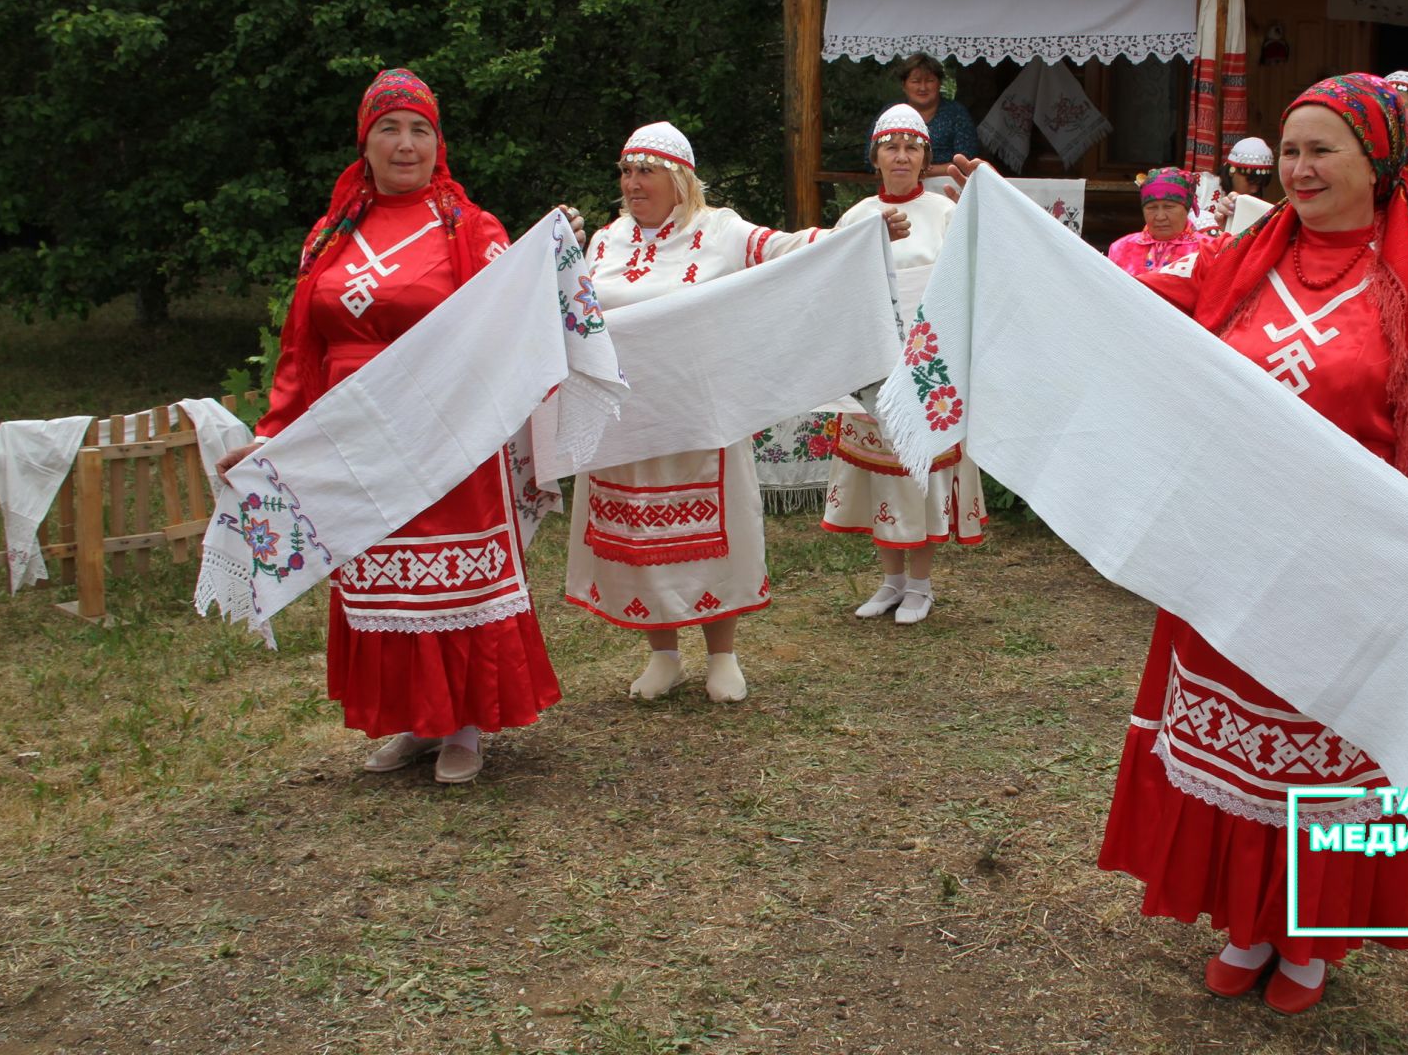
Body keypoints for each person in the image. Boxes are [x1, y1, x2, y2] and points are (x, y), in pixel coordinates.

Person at [1096, 73, 1408, 1015]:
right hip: (1232, 563)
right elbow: (1131, 309)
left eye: (1321, 149)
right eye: (1289, 150)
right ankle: (1248, 926)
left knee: (1321, 760)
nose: (1298, 167)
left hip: (1345, 573)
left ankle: (1309, 942)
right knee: (1238, 755)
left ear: (1377, 163)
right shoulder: (1237, 265)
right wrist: (1010, 243)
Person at [214, 69, 585, 785]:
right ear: (366, 140)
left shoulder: (469, 228)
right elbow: (302, 349)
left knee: (453, 577)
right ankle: (420, 720)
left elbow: (512, 320)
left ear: (437, 142)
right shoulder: (330, 234)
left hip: (445, 430)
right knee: (381, 578)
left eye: (420, 129)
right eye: (390, 128)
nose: (405, 143)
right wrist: (273, 437)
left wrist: (553, 252)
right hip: (353, 432)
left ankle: (466, 725)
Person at [569, 122, 910, 702]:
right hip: (629, 421)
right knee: (639, 539)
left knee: (714, 536)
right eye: (625, 171)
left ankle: (722, 656)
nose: (632, 182)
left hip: (702, 416)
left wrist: (858, 233)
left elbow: (789, 248)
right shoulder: (605, 242)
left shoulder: (720, 231)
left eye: (645, 170)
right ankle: (664, 655)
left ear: (678, 178)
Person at [823, 105, 987, 623]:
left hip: (927, 370)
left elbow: (970, 277)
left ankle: (920, 584)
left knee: (920, 473)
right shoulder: (856, 217)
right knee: (883, 477)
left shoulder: (944, 213)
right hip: (873, 366)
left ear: (925, 158)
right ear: (876, 158)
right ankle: (891, 581)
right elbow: (832, 282)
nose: (901, 156)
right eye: (891, 147)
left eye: (911, 147)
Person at [1107, 168, 1207, 276]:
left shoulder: (1207, 251)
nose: (1160, 217)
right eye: (1151, 208)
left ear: (1186, 209)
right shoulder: (1121, 248)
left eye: (1169, 207)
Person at [894, 53, 980, 167]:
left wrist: (919, 171)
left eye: (929, 81)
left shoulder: (956, 113)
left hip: (948, 183)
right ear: (903, 85)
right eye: (916, 81)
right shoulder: (892, 114)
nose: (923, 87)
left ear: (939, 83)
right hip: (899, 181)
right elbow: (872, 160)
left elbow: (967, 163)